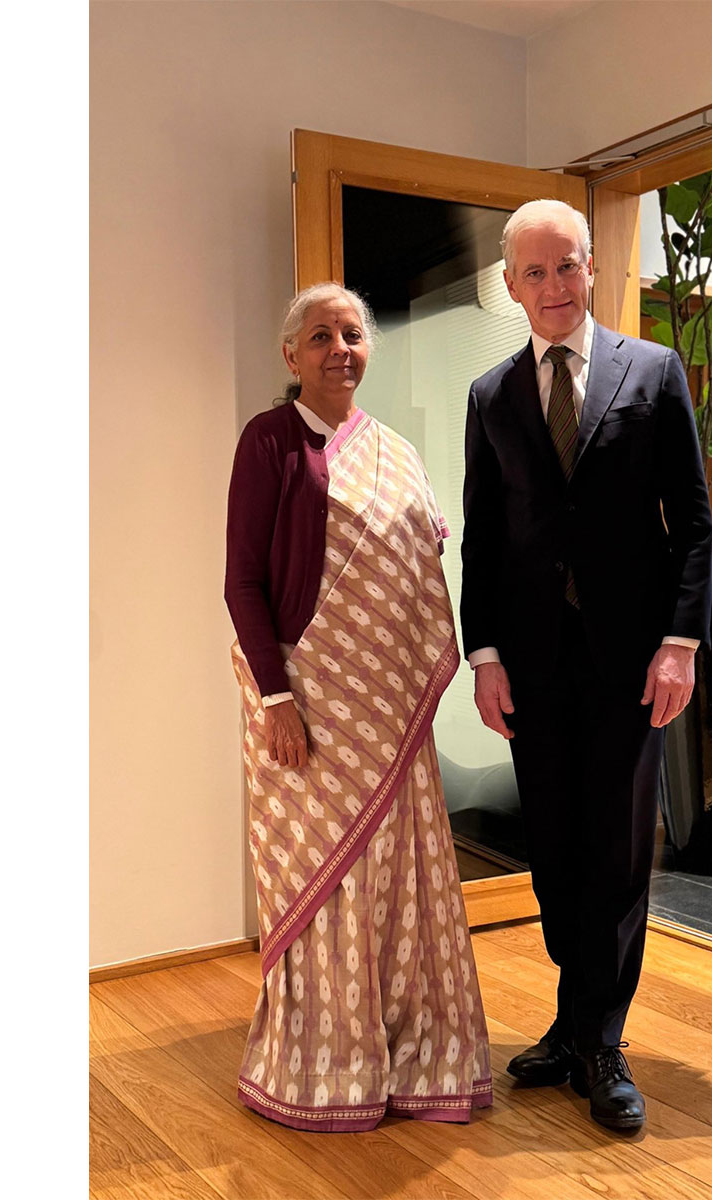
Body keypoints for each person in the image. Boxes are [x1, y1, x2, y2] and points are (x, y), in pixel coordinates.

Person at [460, 199, 712, 1131]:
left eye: (566, 267)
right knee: (557, 852)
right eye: (534, 273)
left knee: (615, 851)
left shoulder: (653, 372)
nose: (553, 288)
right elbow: (481, 543)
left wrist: (679, 643)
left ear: (592, 267)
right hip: (530, 666)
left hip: (629, 661)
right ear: (511, 284)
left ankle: (602, 1040)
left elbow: (691, 525)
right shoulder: (491, 396)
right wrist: (482, 655)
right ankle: (571, 1024)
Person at [223, 282, 492, 1133]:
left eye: (352, 334)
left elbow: (417, 568)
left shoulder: (397, 452)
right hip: (306, 699)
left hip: (387, 709)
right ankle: (323, 1059)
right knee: (316, 877)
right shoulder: (269, 442)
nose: (340, 348)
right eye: (320, 335)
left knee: (398, 876)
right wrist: (276, 699)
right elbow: (243, 582)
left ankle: (411, 1048)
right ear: (290, 354)